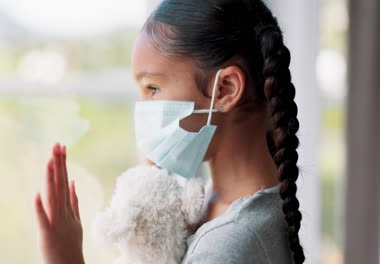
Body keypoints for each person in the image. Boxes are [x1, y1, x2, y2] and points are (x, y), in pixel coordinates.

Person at [33, 0, 306, 263]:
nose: (142, 110)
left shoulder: (229, 244)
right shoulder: (225, 207)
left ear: (226, 89)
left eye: (152, 88)